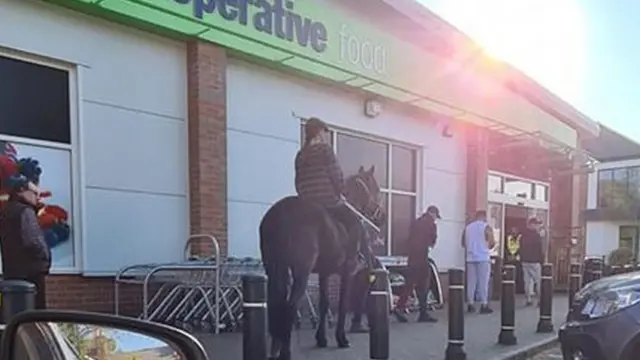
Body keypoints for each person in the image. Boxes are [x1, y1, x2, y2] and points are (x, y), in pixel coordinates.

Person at [294, 117, 369, 263]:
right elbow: (336, 175)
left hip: (305, 203)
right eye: (323, 132)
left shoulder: (300, 155)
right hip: (326, 201)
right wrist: (343, 193)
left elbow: (298, 182)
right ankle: (350, 261)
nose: (325, 135)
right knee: (355, 222)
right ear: (318, 133)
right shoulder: (325, 150)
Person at [0, 158, 51, 310]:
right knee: (37, 315)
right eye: (34, 192)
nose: (38, 196)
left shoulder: (6, 212)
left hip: (12, 274)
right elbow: (33, 241)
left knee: (14, 313)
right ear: (22, 189)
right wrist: (45, 258)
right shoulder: (24, 211)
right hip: (31, 274)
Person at [393, 205, 441, 323]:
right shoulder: (431, 224)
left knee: (409, 283)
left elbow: (410, 238)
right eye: (436, 217)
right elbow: (432, 242)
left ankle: (400, 306)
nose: (435, 219)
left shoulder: (416, 222)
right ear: (433, 213)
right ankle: (422, 313)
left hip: (412, 257)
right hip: (422, 256)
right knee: (423, 285)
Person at [462, 210, 495, 314]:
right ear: (484, 217)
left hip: (470, 257)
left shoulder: (467, 228)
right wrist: (487, 246)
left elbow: (463, 243)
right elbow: (491, 242)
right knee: (483, 282)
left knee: (471, 282)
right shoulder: (486, 227)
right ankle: (483, 304)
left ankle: (470, 304)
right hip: (483, 257)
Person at [519, 217, 544, 306]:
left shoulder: (523, 235)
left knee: (527, 281)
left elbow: (520, 248)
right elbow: (539, 249)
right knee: (538, 281)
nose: (538, 226)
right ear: (531, 224)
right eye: (536, 224)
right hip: (535, 261)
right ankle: (540, 300)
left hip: (525, 261)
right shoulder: (536, 236)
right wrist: (542, 260)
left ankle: (528, 300)